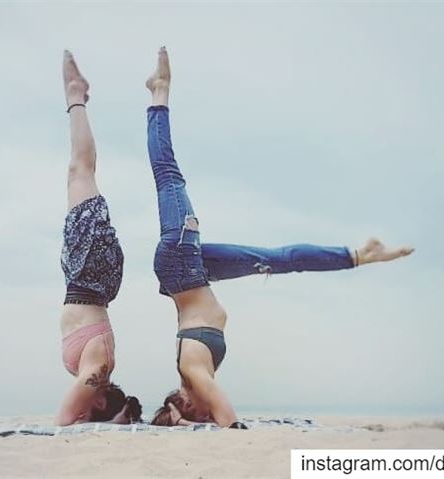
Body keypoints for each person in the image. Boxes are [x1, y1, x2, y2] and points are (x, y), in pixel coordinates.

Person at [144, 47, 414, 428]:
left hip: (180, 264)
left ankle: (159, 93)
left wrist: (184, 423)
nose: (196, 408)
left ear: (184, 404)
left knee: (169, 176)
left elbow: (228, 421)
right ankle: (357, 255)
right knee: (278, 260)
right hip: (195, 272)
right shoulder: (196, 375)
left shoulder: (193, 371)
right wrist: (188, 423)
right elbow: (217, 419)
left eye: (186, 409)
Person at [55, 50, 141, 426]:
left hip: (82, 277)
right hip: (91, 274)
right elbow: (65, 418)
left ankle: (76, 97)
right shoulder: (96, 373)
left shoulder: (93, 375)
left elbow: (75, 414)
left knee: (77, 174)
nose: (81, 417)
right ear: (100, 403)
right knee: (80, 171)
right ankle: (76, 96)